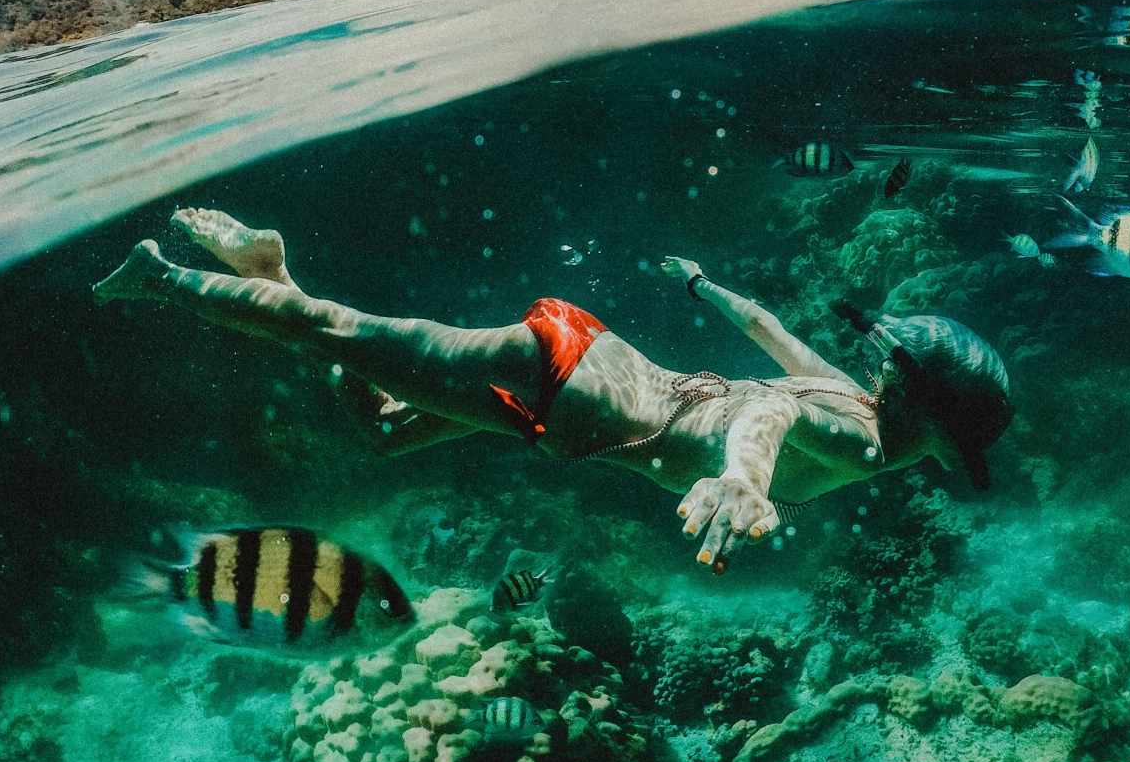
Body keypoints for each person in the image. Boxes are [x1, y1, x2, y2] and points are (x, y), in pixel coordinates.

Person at [92, 209, 1013, 573]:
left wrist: (700, 286)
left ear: (924, 401)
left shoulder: (856, 401)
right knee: (348, 335)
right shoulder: (862, 438)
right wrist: (744, 481)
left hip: (578, 400)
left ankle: (273, 275)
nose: (882, 364)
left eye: (898, 365)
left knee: (377, 425)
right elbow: (769, 408)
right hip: (580, 386)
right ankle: (164, 276)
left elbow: (769, 330)